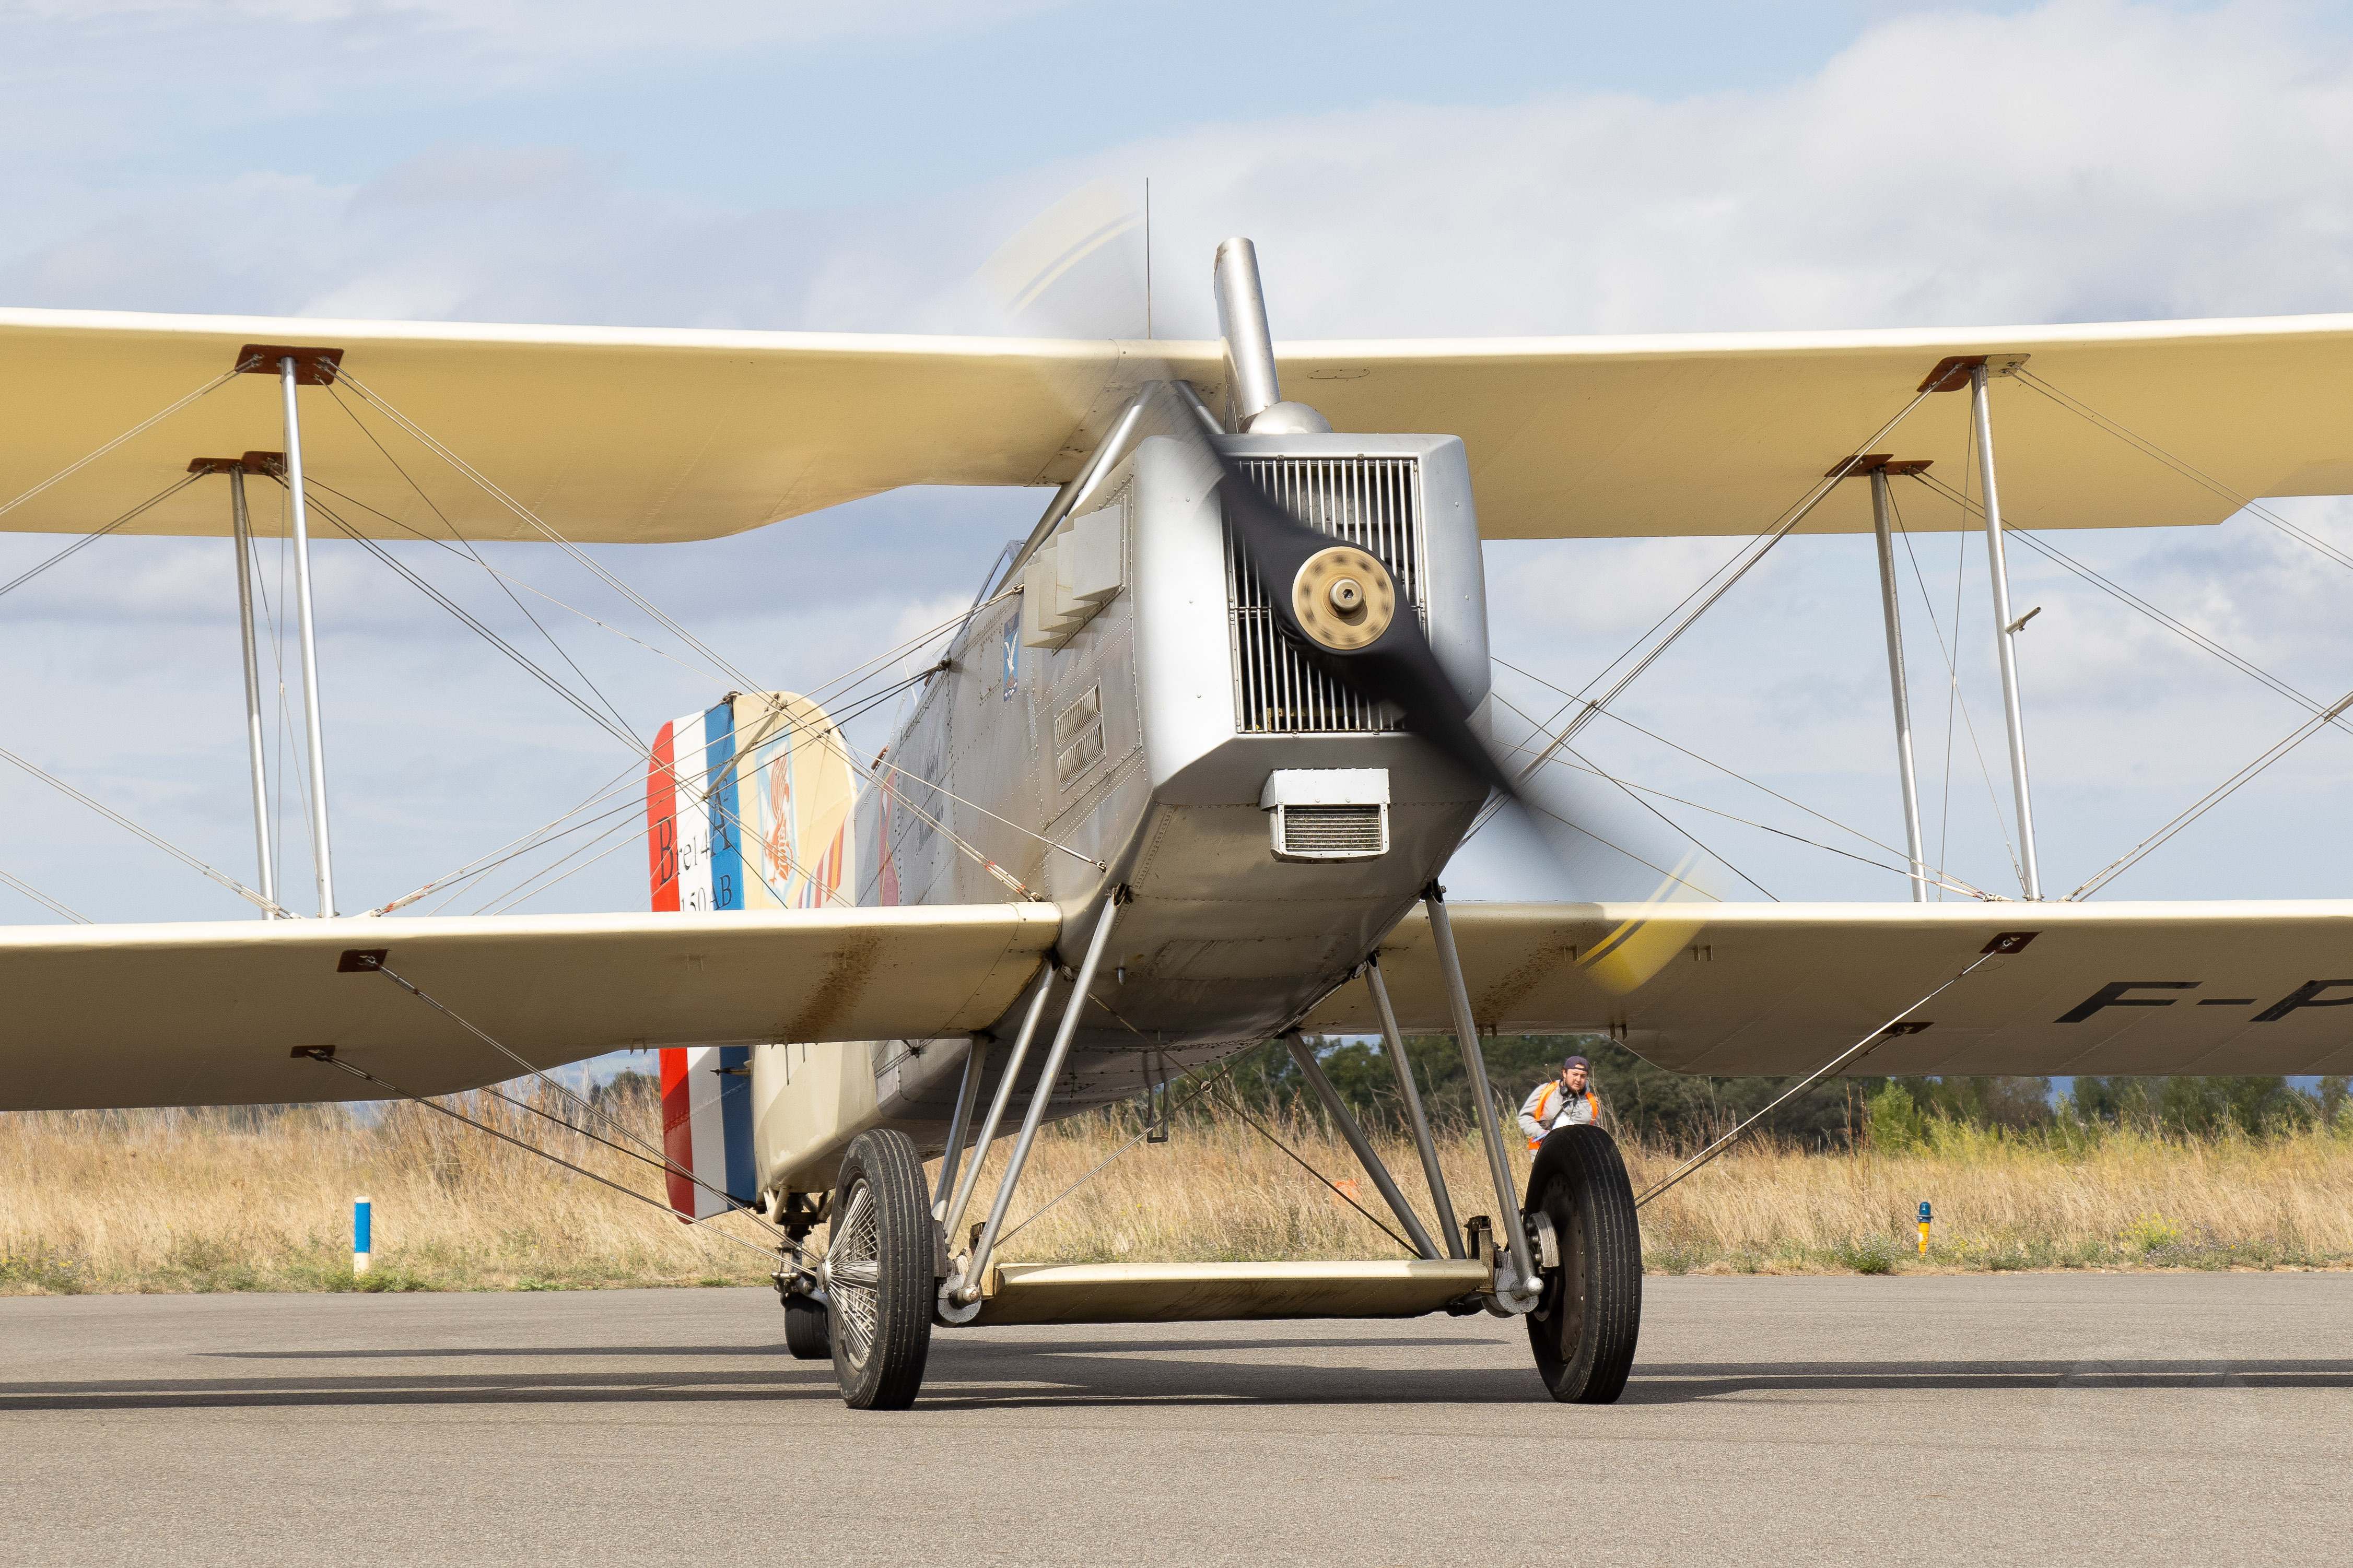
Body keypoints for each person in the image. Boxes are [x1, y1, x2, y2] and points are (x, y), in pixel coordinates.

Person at [1519, 1055, 1599, 1150]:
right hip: (1544, 1156)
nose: (1578, 1079)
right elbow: (1524, 1118)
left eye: (1583, 1076)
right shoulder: (1546, 1091)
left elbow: (1597, 1135)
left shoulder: (1592, 1101)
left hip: (1578, 1160)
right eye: (1575, 1074)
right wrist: (1541, 1133)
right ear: (1564, 1073)